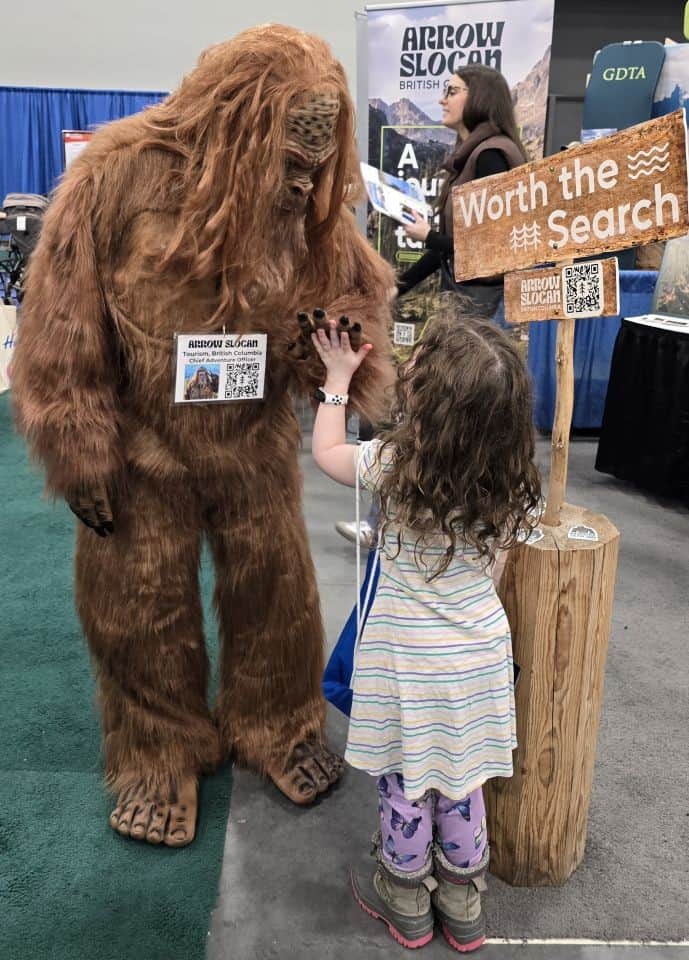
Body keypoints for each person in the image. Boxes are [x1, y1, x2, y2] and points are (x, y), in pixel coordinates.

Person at [11, 25, 395, 848]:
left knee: (278, 595)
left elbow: (352, 288)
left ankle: (278, 723)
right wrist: (78, 448)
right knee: (137, 607)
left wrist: (335, 352)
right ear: (233, 132)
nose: (302, 185)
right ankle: (158, 748)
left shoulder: (309, 203)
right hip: (143, 449)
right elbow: (59, 322)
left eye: (314, 166)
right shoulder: (117, 178)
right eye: (287, 163)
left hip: (251, 442)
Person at [310, 311, 541, 951]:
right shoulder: (515, 484)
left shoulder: (393, 464)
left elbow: (327, 451)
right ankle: (464, 904)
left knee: (406, 781)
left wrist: (337, 379)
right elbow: (497, 565)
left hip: (405, 660)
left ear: (428, 400)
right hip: (476, 659)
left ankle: (406, 895)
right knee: (461, 782)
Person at [398, 65, 528, 317]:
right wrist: (396, 287)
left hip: (485, 306)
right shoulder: (474, 153)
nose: (442, 99)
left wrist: (428, 237)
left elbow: (491, 243)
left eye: (452, 91)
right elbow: (451, 247)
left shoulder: (491, 156)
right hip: (473, 302)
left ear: (479, 97)